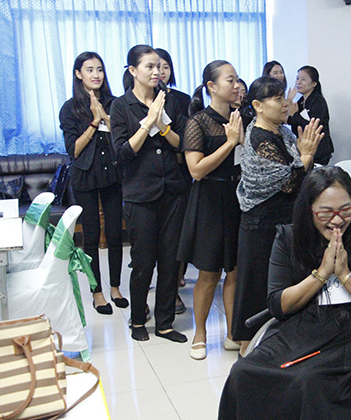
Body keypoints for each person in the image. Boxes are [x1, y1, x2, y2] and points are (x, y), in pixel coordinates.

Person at [219, 166, 351, 420]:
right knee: (242, 372)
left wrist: (345, 276)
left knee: (305, 381)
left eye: (346, 210)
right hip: (296, 332)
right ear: (309, 210)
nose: (337, 220)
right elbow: (278, 304)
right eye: (326, 213)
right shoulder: (288, 239)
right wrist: (322, 272)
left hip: (348, 336)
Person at [231, 76, 324, 355]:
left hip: (284, 221)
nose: (285, 103)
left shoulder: (283, 132)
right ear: (258, 105)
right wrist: (305, 157)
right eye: (277, 98)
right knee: (257, 291)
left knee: (284, 288)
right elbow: (288, 182)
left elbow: (298, 176)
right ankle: (248, 353)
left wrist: (304, 159)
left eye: (285, 97)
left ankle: (278, 349)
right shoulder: (260, 137)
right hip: (261, 226)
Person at [110, 44, 190, 343]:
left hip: (173, 191)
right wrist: (148, 122)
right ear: (133, 70)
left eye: (159, 66)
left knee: (171, 261)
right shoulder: (121, 106)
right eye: (149, 66)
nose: (157, 72)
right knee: (143, 262)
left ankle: (165, 323)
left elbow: (183, 143)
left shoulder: (171, 101)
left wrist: (163, 126)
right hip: (140, 194)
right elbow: (122, 153)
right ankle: (137, 320)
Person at [178, 60, 243, 360]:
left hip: (238, 198)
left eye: (237, 79)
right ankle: (200, 333)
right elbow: (196, 170)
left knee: (235, 271)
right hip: (209, 200)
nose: (237, 85)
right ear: (212, 86)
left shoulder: (241, 117)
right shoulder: (198, 121)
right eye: (230, 80)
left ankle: (233, 333)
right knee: (209, 273)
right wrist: (229, 144)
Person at [59, 51, 126, 315]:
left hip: (113, 174)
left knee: (115, 233)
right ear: (78, 74)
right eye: (89, 70)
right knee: (91, 236)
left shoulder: (115, 103)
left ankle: (116, 288)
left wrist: (106, 116)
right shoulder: (70, 108)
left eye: (99, 69)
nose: (96, 75)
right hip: (85, 176)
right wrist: (94, 121)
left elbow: (121, 136)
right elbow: (74, 150)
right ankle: (97, 292)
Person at [156, 47, 190, 315]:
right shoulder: (132, 102)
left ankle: (174, 286)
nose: (160, 72)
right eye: (155, 66)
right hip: (151, 177)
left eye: (165, 66)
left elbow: (186, 138)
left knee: (176, 238)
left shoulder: (181, 99)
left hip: (180, 174)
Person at [288, 65, 334, 165]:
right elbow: (291, 120)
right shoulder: (301, 100)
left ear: (314, 84)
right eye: (297, 78)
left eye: (303, 79)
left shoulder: (318, 101)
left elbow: (313, 127)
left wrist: (294, 114)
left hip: (319, 150)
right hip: (304, 147)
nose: (298, 82)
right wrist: (288, 101)